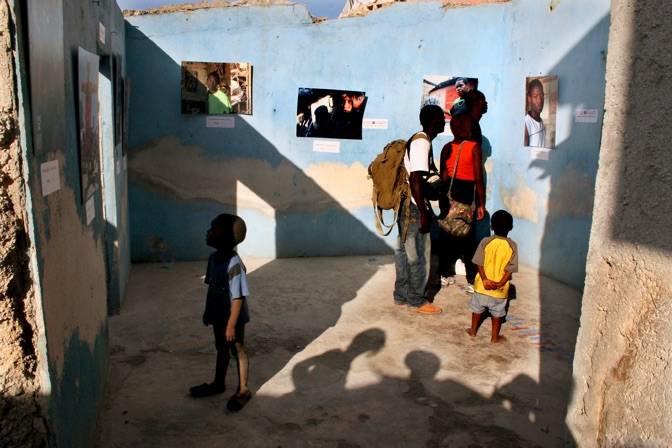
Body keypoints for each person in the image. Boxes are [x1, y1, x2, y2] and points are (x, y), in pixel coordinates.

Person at [189, 213, 252, 412]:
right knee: (221, 348)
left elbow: (238, 298)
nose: (208, 232)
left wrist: (232, 324)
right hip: (218, 314)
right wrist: (209, 312)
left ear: (224, 237)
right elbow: (212, 289)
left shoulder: (234, 265)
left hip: (233, 317)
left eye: (213, 229)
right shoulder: (214, 259)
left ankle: (243, 390)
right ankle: (219, 383)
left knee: (237, 349)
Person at [393, 104, 445, 314]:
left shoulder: (418, 139)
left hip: (407, 204)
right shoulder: (422, 142)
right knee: (419, 256)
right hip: (414, 207)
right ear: (434, 120)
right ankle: (417, 300)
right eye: (442, 118)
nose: (444, 121)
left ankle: (402, 295)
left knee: (404, 253)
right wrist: (424, 211)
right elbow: (416, 178)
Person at [438, 113, 486, 291]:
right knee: (468, 238)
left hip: (449, 194)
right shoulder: (474, 147)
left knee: (447, 235)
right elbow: (478, 179)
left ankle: (444, 274)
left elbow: (444, 177)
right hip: (466, 195)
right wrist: (481, 204)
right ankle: (472, 279)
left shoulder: (446, 147)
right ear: (468, 128)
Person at [466, 210, 517, 343]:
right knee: (497, 314)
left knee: (477, 310)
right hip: (499, 290)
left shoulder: (485, 241)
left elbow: (479, 264)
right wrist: (500, 283)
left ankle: (472, 331)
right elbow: (510, 269)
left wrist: (484, 279)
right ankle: (495, 337)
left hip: (482, 286)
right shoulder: (512, 246)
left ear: (491, 226)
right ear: (511, 227)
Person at [524, 78, 546, 147]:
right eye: (535, 96)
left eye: (542, 95)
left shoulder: (541, 122)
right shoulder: (526, 123)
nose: (540, 100)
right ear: (529, 99)